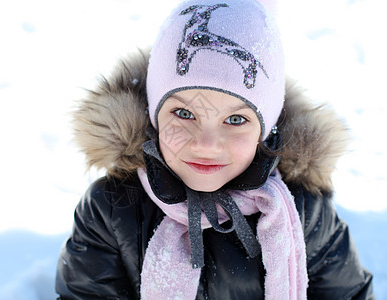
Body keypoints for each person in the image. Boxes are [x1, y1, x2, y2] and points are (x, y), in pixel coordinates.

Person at [55, 0, 374, 299]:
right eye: (183, 114)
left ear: (265, 128)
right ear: (153, 115)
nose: (205, 145)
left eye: (235, 119)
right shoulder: (111, 209)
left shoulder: (302, 212)